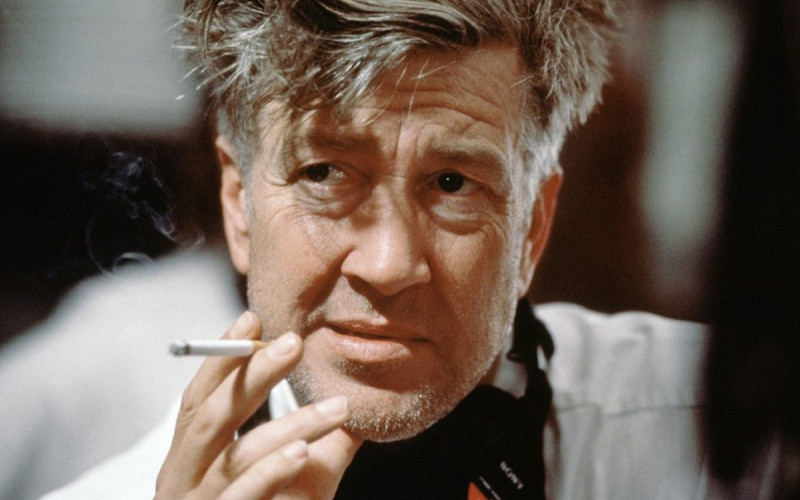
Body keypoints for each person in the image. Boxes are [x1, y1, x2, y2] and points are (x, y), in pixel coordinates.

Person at [42, 1, 721, 498]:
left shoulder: (715, 443)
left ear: (532, 230)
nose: (388, 265)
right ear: (238, 205)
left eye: (452, 184)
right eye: (324, 174)